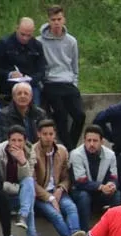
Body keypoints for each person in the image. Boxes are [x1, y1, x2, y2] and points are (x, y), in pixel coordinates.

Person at [0, 125, 44, 236]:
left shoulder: (30, 153)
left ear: (25, 141)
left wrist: (22, 161)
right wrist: (17, 189)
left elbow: (27, 177)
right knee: (28, 198)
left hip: (20, 194)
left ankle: (23, 216)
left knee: (29, 184)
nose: (16, 143)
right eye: (13, 140)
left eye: (20, 140)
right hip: (1, 194)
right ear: (8, 141)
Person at [39, 5, 85, 151]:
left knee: (80, 115)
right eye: (53, 20)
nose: (57, 23)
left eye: (59, 19)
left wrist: (74, 83)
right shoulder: (40, 41)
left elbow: (74, 65)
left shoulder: (71, 41)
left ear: (64, 19)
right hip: (51, 82)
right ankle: (70, 151)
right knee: (61, 115)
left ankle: (69, 147)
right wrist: (43, 84)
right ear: (49, 21)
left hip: (68, 82)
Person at [33, 119, 84, 236]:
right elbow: (31, 182)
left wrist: (61, 188)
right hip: (40, 194)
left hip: (58, 190)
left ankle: (75, 234)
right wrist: (50, 198)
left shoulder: (62, 150)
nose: (48, 137)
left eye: (51, 134)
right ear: (39, 134)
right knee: (55, 214)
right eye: (45, 134)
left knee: (71, 207)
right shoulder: (32, 152)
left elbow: (67, 177)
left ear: (54, 134)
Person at [70, 125, 121, 232]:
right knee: (84, 196)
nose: (91, 144)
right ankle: (84, 232)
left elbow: (114, 177)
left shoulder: (110, 155)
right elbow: (81, 182)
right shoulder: (76, 154)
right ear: (84, 141)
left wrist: (111, 185)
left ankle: (114, 230)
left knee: (116, 194)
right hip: (80, 192)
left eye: (95, 141)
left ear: (102, 141)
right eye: (88, 140)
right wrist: (101, 187)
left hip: (99, 193)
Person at [0, 17, 45, 105]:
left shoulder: (37, 46)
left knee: (35, 105)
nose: (25, 38)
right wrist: (9, 74)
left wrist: (31, 79)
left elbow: (42, 70)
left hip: (31, 84)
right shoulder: (4, 44)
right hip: (9, 84)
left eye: (29, 35)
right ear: (17, 28)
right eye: (22, 34)